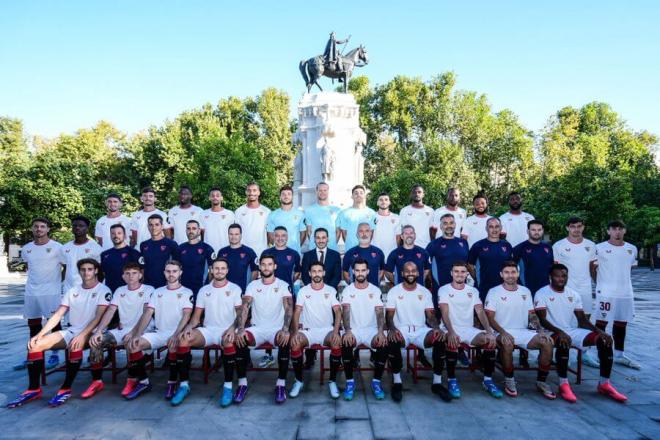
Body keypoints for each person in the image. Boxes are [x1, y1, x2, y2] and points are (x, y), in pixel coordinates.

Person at [7, 259, 110, 408]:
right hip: (72, 330)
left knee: (75, 345)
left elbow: (98, 317)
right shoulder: (73, 291)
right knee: (35, 345)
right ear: (79, 271)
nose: (86, 272)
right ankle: (33, 389)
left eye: (89, 269)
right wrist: (40, 334)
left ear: (95, 271)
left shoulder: (103, 290)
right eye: (83, 269)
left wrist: (82, 335)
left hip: (93, 332)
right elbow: (57, 315)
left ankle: (65, 388)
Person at [535, 264, 628, 403]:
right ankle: (563, 384)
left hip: (570, 330)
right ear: (550, 277)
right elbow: (542, 320)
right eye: (557, 276)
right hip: (551, 331)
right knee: (563, 340)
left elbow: (582, 320)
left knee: (605, 340)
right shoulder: (542, 293)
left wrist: (600, 331)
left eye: (564, 276)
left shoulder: (573, 294)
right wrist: (560, 332)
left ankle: (604, 384)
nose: (561, 279)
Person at [175, 258, 246, 407]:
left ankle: (227, 387)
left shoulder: (235, 289)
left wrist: (233, 328)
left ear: (227, 271)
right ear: (211, 270)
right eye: (216, 268)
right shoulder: (204, 290)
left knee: (228, 341)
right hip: (207, 330)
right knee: (183, 340)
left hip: (226, 330)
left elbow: (240, 315)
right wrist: (188, 328)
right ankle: (183, 385)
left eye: (222, 268)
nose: (219, 271)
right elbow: (195, 318)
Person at [484, 261, 556, 399]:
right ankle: (509, 380)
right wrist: (503, 332)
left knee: (547, 342)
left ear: (518, 274)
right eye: (506, 272)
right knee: (507, 342)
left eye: (513, 272)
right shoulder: (494, 292)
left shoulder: (525, 291)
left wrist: (540, 330)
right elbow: (490, 318)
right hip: (501, 331)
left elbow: (532, 315)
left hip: (523, 332)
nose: (510, 275)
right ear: (501, 274)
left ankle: (542, 381)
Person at [124, 261, 193, 400]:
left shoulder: (187, 292)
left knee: (173, 345)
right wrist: (137, 335)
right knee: (133, 345)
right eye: (168, 271)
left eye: (174, 271)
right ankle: (143, 382)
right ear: (164, 273)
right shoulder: (157, 292)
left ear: (180, 273)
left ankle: (172, 382)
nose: (171, 274)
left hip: (177, 333)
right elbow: (148, 313)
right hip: (159, 332)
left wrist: (175, 335)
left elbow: (186, 315)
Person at [86, 263, 154, 399]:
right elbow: (111, 311)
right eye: (127, 273)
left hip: (143, 329)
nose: (131, 276)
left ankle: (133, 380)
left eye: (134, 273)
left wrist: (135, 332)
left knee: (132, 343)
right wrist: (99, 330)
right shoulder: (119, 290)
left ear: (140, 275)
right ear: (123, 276)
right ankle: (97, 381)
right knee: (95, 342)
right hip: (122, 329)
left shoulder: (149, 289)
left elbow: (146, 313)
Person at [386, 262, 451, 402]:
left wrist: (436, 328)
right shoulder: (394, 291)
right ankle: (397, 382)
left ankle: (437, 383)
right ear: (402, 274)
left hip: (420, 330)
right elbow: (389, 317)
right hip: (401, 330)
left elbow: (430, 316)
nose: (410, 273)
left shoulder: (424, 292)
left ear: (418, 273)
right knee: (392, 339)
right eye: (407, 271)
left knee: (439, 338)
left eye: (413, 271)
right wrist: (392, 328)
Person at [438, 261, 503, 398]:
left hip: (468, 329)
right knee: (453, 341)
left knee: (489, 341)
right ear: (451, 273)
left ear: (467, 273)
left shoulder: (472, 291)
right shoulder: (444, 289)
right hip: (448, 328)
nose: (459, 274)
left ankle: (488, 380)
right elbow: (444, 312)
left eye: (463, 271)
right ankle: (451, 379)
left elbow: (480, 311)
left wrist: (489, 331)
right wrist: (451, 332)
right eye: (456, 271)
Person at [235, 255, 294, 404]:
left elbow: (289, 308)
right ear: (259, 267)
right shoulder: (252, 285)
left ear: (275, 266)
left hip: (276, 329)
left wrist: (286, 329)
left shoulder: (283, 285)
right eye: (263, 264)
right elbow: (245, 307)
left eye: (269, 264)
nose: (266, 267)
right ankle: (242, 384)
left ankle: (280, 385)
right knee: (239, 338)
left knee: (285, 339)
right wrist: (241, 328)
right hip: (258, 328)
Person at [591, 220, 640, 369]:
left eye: (620, 229)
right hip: (606, 292)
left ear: (624, 231)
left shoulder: (632, 249)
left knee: (621, 322)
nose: (617, 232)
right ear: (608, 231)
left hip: (625, 292)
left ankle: (619, 354)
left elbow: (629, 269)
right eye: (614, 229)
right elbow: (592, 268)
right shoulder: (599, 248)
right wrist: (601, 283)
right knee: (601, 323)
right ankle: (599, 354)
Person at [17, 218, 64, 371]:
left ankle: (55, 354)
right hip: (32, 292)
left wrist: (60, 283)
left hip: (51, 291)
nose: (39, 229)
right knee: (33, 324)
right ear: (32, 229)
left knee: (54, 323)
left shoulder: (57, 247)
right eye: (36, 226)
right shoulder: (26, 248)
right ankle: (34, 353)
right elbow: (28, 266)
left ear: (48, 229)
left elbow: (67, 267)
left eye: (42, 227)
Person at [289, 262, 342, 398]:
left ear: (324, 273)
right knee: (295, 343)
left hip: (326, 330)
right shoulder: (303, 291)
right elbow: (297, 312)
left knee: (336, 342)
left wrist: (336, 332)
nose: (317, 274)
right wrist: (295, 332)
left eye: (319, 271)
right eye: (314, 271)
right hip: (308, 331)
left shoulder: (330, 290)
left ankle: (332, 381)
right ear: (309, 273)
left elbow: (338, 311)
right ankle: (299, 381)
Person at [552, 217, 598, 367]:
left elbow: (592, 268)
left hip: (585, 289)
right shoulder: (559, 245)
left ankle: (584, 353)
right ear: (567, 228)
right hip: (566, 289)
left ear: (583, 227)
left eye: (579, 226)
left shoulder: (591, 245)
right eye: (573, 226)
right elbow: (555, 269)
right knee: (561, 321)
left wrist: (598, 286)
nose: (576, 229)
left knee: (585, 320)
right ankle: (556, 353)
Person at [340, 259, 388, 400]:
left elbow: (380, 313)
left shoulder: (375, 290)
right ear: (353, 272)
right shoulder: (348, 290)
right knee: (346, 343)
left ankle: (376, 382)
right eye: (357, 270)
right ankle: (350, 382)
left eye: (363, 270)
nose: (360, 273)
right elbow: (346, 312)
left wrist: (380, 332)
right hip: (354, 329)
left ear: (367, 271)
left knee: (383, 344)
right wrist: (347, 331)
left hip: (371, 330)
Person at [426, 213, 469, 304]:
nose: (448, 226)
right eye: (445, 223)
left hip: (461, 287)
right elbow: (425, 266)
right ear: (440, 226)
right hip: (440, 288)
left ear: (455, 225)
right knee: (441, 316)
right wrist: (432, 281)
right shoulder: (433, 244)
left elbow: (468, 264)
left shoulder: (463, 243)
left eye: (451, 223)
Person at [468, 217, 513, 301]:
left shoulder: (507, 245)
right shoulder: (478, 245)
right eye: (491, 226)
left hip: (504, 286)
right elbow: (470, 265)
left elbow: (511, 266)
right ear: (486, 228)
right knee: (485, 312)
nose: (494, 229)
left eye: (497, 226)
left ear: (501, 228)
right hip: (484, 287)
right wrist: (477, 279)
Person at [60, 215, 103, 295]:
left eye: (81, 226)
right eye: (75, 225)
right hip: (69, 289)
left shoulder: (96, 248)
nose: (77, 228)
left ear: (87, 229)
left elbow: (100, 271)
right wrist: (60, 283)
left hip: (89, 289)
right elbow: (65, 268)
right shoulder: (65, 247)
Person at [513, 220, 554, 296]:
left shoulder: (548, 247)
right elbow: (511, 269)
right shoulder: (519, 248)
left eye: (539, 230)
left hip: (546, 289)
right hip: (527, 289)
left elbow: (551, 267)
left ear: (542, 231)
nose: (536, 232)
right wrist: (519, 284)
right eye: (533, 230)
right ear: (528, 231)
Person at [178, 220, 214, 301]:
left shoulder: (207, 248)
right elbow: (176, 268)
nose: (191, 231)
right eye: (188, 228)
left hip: (201, 289)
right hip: (183, 289)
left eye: (194, 228)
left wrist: (209, 288)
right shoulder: (180, 248)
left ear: (199, 231)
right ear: (186, 230)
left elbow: (212, 270)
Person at [139, 214, 179, 288]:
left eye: (157, 224)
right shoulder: (143, 245)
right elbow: (142, 266)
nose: (154, 227)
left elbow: (177, 266)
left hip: (166, 285)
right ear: (148, 227)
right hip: (147, 285)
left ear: (162, 226)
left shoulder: (171, 244)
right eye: (151, 225)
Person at [217, 224, 258, 294]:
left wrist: (249, 289)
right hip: (223, 291)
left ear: (241, 235)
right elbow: (217, 271)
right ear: (228, 235)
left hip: (242, 292)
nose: (233, 237)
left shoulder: (249, 252)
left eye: (236, 234)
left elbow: (255, 272)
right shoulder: (222, 252)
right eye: (231, 234)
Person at [100, 224, 141, 294]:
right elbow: (103, 274)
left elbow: (142, 274)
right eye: (113, 233)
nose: (116, 236)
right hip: (110, 292)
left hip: (130, 293)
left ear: (124, 235)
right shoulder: (104, 254)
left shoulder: (134, 253)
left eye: (119, 233)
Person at [342, 223, 385, 287]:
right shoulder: (349, 253)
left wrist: (376, 282)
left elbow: (382, 270)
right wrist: (352, 285)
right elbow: (345, 272)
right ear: (357, 234)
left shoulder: (379, 252)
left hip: (374, 291)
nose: (364, 234)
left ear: (371, 233)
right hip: (355, 292)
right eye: (361, 231)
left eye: (367, 231)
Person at [267, 185, 306, 254]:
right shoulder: (272, 215)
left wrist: (296, 246)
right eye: (283, 194)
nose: (286, 196)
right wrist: (279, 246)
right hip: (277, 253)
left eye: (289, 194)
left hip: (295, 252)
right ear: (280, 197)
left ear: (292, 197)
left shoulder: (300, 214)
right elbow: (270, 235)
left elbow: (303, 234)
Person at [235, 182, 271, 257]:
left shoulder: (267, 212)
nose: (251, 193)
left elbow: (269, 233)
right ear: (246, 192)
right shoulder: (239, 211)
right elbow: (236, 233)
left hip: (261, 253)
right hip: (242, 253)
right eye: (249, 190)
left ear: (259, 192)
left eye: (254, 190)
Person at [337, 185, 377, 252]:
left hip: (367, 250)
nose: (358, 195)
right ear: (352, 196)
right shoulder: (344, 213)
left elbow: (372, 232)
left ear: (364, 196)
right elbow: (344, 234)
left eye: (361, 193)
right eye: (356, 193)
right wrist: (351, 245)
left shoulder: (371, 213)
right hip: (350, 250)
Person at [262, 226, 301, 292]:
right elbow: (262, 271)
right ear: (273, 237)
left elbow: (297, 272)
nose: (280, 238)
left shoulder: (294, 254)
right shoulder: (266, 252)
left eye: (283, 235)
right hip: (268, 290)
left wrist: (290, 281)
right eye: (277, 236)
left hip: (287, 289)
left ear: (287, 237)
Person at [303, 182, 341, 251]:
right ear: (316, 191)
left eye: (325, 190)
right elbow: (309, 231)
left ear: (328, 191)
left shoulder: (337, 210)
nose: (322, 192)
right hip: (314, 249)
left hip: (332, 249)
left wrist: (332, 243)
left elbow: (338, 231)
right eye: (320, 190)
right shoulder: (309, 210)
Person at [200, 187, 235, 253]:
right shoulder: (203, 214)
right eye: (212, 196)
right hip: (208, 251)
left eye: (217, 195)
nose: (215, 197)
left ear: (221, 198)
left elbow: (234, 233)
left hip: (226, 251)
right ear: (209, 198)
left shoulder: (230, 214)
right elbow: (201, 234)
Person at [372, 192, 401, 259]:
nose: (383, 201)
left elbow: (398, 237)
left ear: (389, 202)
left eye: (386, 199)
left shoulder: (396, 217)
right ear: (377, 203)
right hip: (375, 254)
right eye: (381, 200)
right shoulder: (372, 217)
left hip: (392, 255)